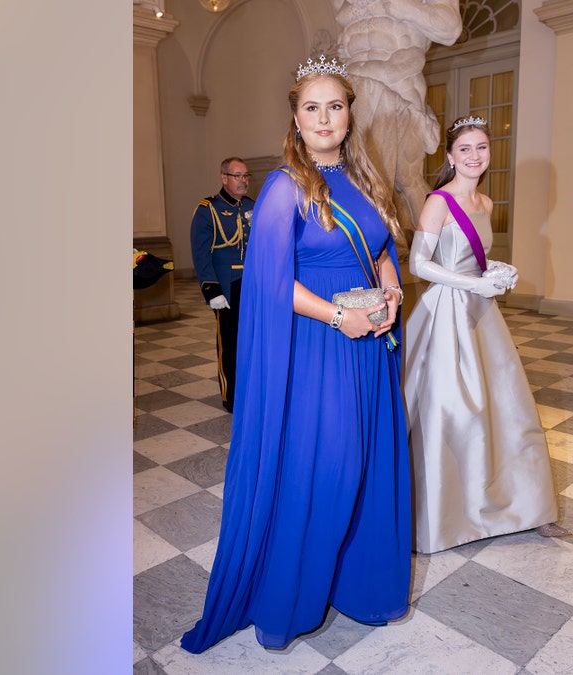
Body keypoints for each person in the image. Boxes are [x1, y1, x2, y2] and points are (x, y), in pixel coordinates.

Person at [181, 56, 411, 653]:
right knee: (326, 469)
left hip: (370, 348)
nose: (325, 117)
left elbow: (381, 245)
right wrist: (340, 315)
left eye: (335, 105)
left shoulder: (367, 180)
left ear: (350, 114)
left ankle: (357, 586)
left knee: (367, 467)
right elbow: (269, 280)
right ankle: (291, 598)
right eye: (312, 107)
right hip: (321, 348)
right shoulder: (287, 187)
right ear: (296, 117)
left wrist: (391, 286)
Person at [403, 116, 569, 555]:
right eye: (465, 149)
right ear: (451, 156)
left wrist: (491, 274)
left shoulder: (488, 202)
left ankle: (524, 507)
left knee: (508, 409)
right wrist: (471, 284)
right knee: (454, 409)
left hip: (482, 312)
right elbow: (418, 264)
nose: (475, 156)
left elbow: (474, 259)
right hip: (448, 313)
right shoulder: (439, 200)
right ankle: (446, 516)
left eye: (482, 148)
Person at [332, 0, 462, 226]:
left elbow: (450, 28)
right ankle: (386, 243)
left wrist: (395, 5)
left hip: (397, 81)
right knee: (358, 173)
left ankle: (431, 245)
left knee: (404, 178)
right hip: (351, 84)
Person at [189, 157, 255, 412]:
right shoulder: (208, 209)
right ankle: (232, 396)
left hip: (253, 286)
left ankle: (251, 391)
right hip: (227, 288)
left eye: (246, 176)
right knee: (230, 344)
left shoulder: (252, 206)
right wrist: (211, 288)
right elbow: (201, 253)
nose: (243, 181)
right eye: (237, 176)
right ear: (224, 177)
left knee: (252, 341)